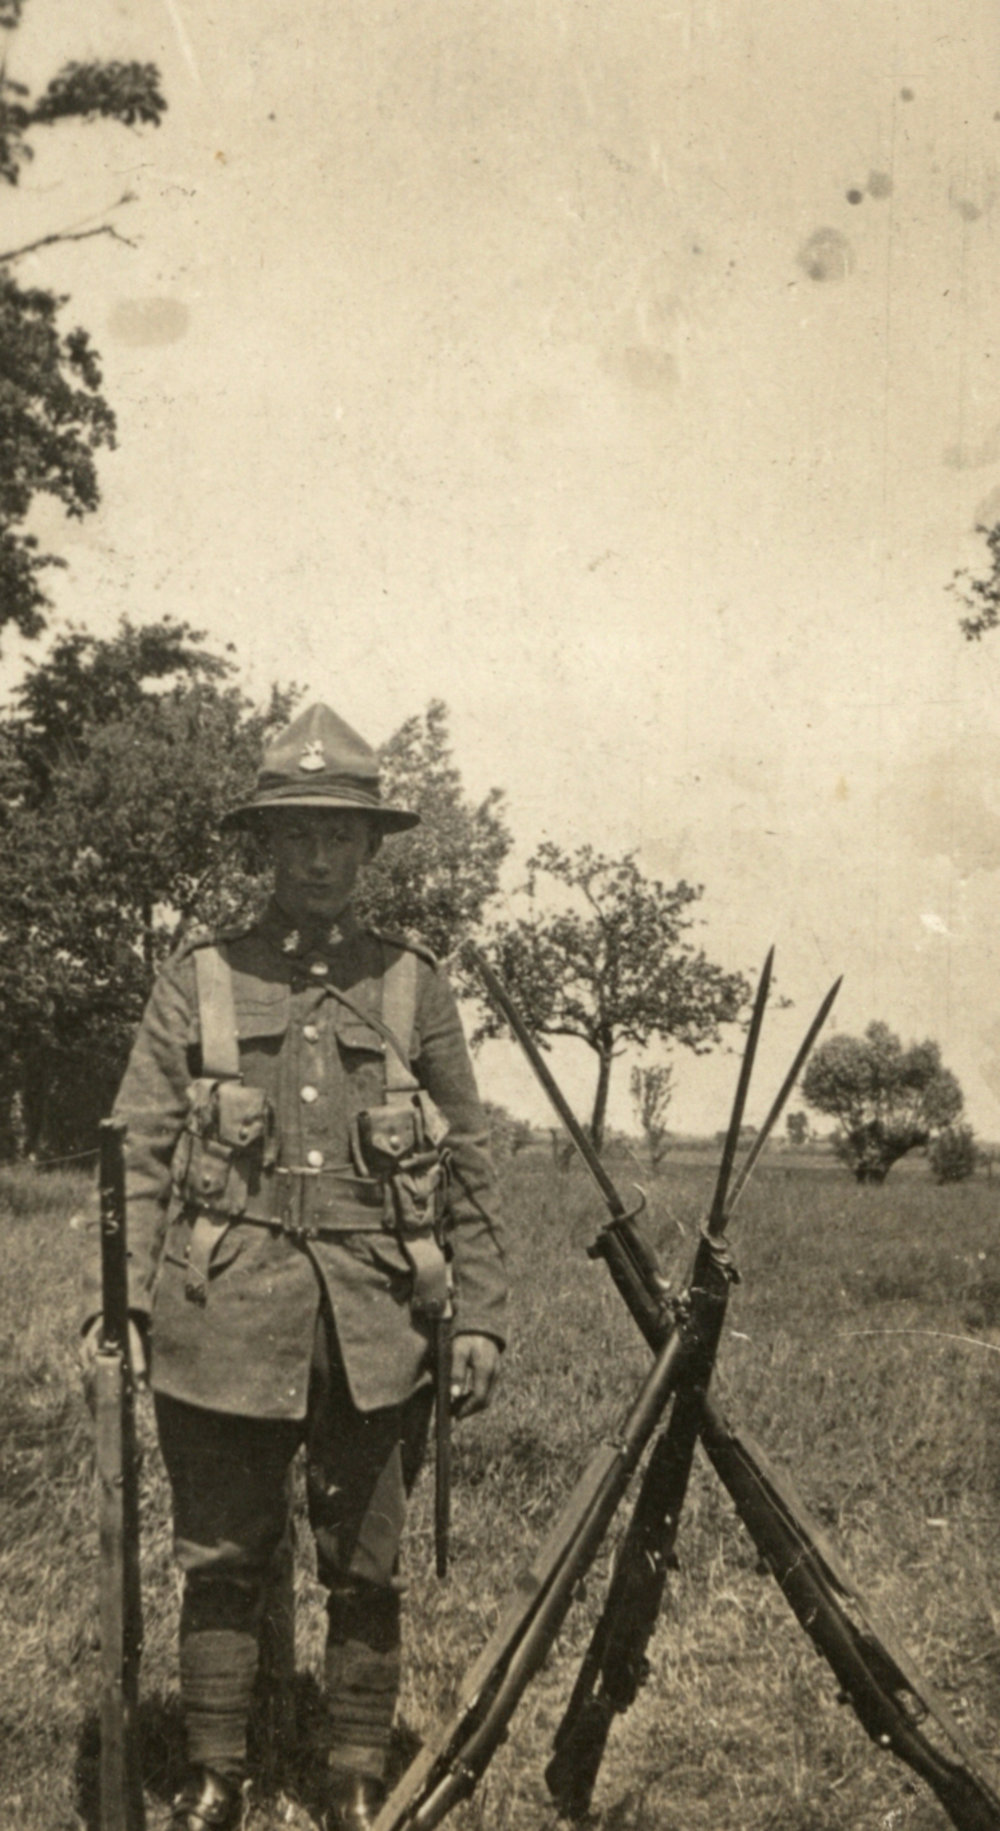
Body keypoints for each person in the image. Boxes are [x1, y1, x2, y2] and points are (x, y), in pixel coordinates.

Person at [82, 702, 507, 1831]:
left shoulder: (413, 984)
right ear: (264, 847)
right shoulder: (202, 978)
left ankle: (353, 1776)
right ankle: (218, 1773)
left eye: (339, 834)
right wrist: (124, 1302)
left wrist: (480, 1318)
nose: (318, 855)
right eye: (296, 834)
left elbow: (468, 1156)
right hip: (221, 1309)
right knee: (221, 1554)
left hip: (374, 1323)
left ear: (369, 849)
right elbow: (139, 1145)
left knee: (364, 1566)